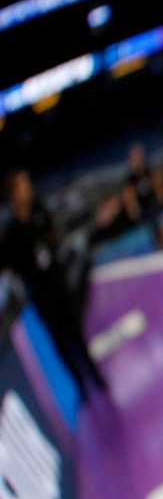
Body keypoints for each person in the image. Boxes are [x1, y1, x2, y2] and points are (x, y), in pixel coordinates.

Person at [0, 169, 108, 395]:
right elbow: (9, 267)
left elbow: (53, 236)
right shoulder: (11, 234)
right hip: (40, 294)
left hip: (57, 283)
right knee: (59, 342)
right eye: (22, 186)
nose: (27, 188)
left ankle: (95, 375)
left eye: (27, 183)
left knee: (76, 333)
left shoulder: (39, 209)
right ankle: (80, 386)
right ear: (13, 195)